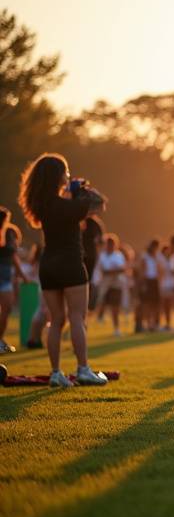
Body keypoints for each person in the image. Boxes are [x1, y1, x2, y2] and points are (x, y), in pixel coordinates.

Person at [18, 153, 108, 387]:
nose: (67, 176)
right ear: (58, 176)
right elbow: (97, 203)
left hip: (48, 266)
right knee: (77, 316)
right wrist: (80, 189)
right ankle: (83, 369)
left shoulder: (42, 205)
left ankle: (56, 373)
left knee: (56, 320)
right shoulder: (68, 205)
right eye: (65, 172)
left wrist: (73, 192)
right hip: (70, 263)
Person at [0, 207, 29, 353]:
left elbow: (13, 256)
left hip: (5, 277)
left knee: (7, 309)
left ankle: (0, 339)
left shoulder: (10, 232)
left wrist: (23, 276)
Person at [96, 233, 128, 337]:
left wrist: (111, 271)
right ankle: (99, 317)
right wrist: (114, 270)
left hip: (116, 284)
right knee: (99, 304)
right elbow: (103, 271)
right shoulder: (102, 255)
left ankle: (116, 328)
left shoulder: (119, 255)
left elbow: (122, 269)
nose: (110, 245)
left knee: (115, 308)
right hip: (105, 285)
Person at [137, 238, 162, 331]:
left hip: (154, 281)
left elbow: (159, 270)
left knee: (155, 304)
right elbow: (142, 271)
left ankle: (154, 323)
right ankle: (147, 323)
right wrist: (142, 283)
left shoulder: (156, 256)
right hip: (147, 281)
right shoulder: (145, 257)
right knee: (147, 303)